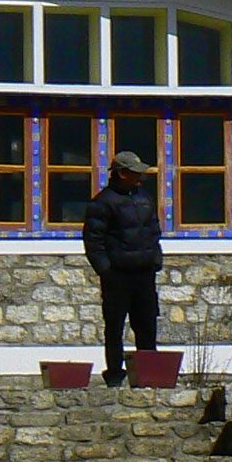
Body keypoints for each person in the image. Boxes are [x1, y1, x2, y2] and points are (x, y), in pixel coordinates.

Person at [83, 149, 163, 386]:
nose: (140, 178)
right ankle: (115, 375)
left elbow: (154, 232)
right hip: (117, 275)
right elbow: (93, 240)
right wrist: (106, 270)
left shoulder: (144, 198)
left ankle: (148, 374)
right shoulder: (102, 202)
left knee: (147, 324)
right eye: (135, 173)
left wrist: (155, 259)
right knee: (115, 326)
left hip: (144, 273)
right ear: (122, 173)